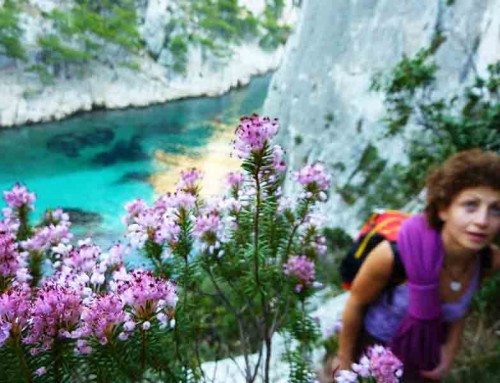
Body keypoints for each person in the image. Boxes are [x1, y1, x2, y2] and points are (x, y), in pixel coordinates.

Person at [327, 149, 500, 382]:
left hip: (424, 362)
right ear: (443, 209)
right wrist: (346, 364)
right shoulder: (393, 256)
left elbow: (460, 309)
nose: (482, 221)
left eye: (495, 209)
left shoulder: (488, 259)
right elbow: (355, 304)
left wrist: (447, 356)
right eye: (470, 205)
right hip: (371, 354)